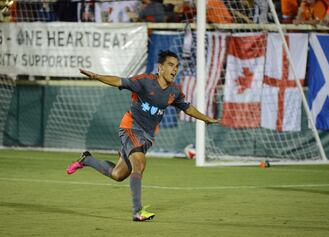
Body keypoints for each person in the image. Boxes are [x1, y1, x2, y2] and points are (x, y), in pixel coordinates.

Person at [66, 50, 218, 222]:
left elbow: (187, 107)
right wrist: (97, 76)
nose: (174, 70)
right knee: (139, 163)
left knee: (118, 175)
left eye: (176, 66)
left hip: (147, 138)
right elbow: (119, 80)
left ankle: (87, 160)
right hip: (130, 127)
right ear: (160, 67)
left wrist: (205, 119)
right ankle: (137, 211)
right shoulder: (145, 81)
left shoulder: (174, 91)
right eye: (170, 65)